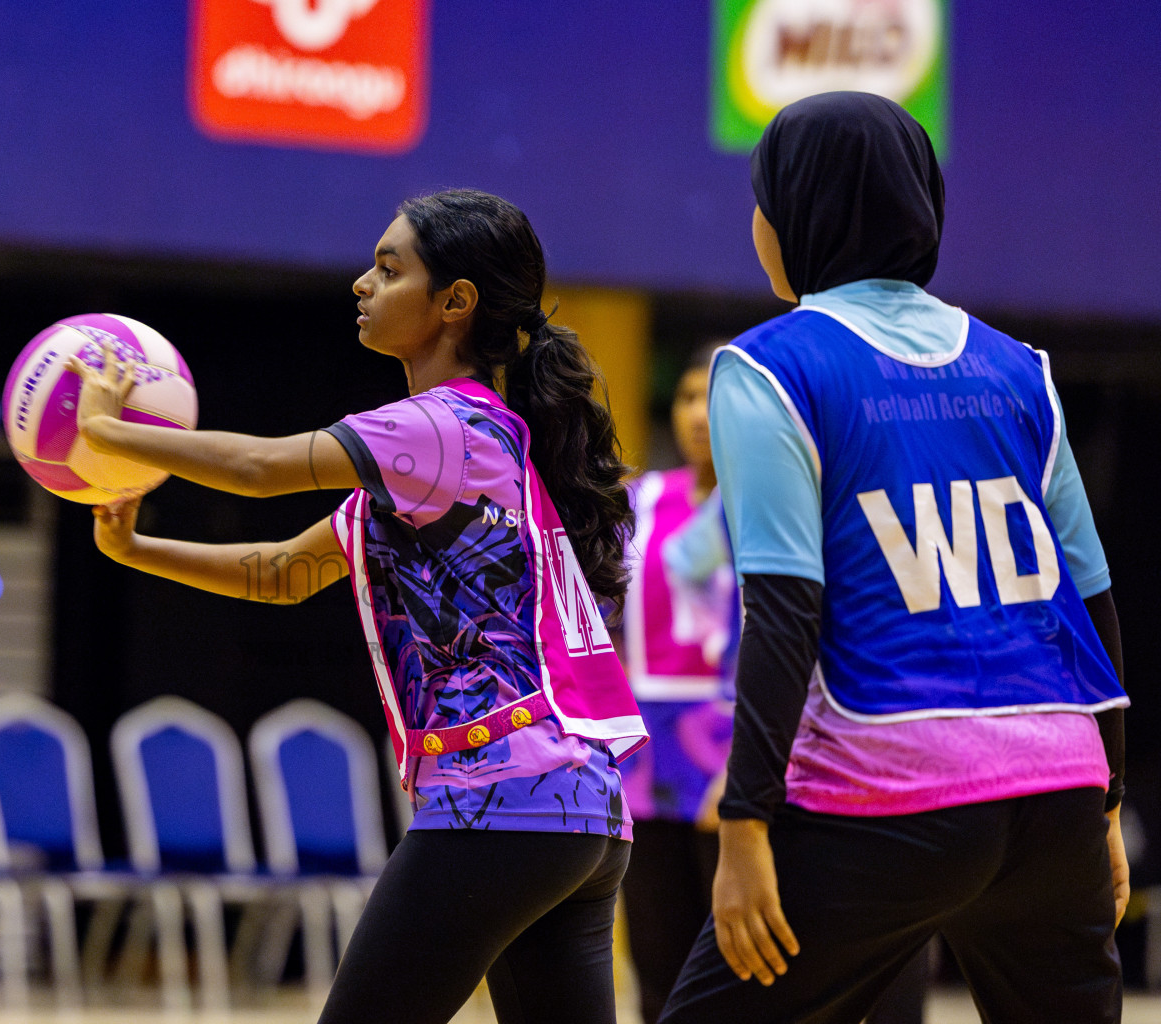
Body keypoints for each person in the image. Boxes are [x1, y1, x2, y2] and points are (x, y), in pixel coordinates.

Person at [69, 189, 648, 1024]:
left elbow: (260, 467)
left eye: (388, 268)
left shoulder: (434, 430)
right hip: (582, 813)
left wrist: (110, 432)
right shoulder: (468, 447)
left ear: (456, 303)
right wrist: (135, 550)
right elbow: (283, 572)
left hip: (502, 795)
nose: (360, 284)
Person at [659, 92, 1130, 1024]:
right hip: (1058, 789)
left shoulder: (767, 369)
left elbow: (785, 610)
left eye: (763, 198)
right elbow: (1091, 597)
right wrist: (1105, 797)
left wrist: (746, 822)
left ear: (798, 213)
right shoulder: (1020, 368)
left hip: (884, 791)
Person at [614, 344, 736, 1024]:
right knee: (657, 957)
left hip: (739, 750)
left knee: (737, 958)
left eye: (713, 398)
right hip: (649, 758)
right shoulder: (640, 504)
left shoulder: (775, 506)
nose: (697, 413)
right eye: (687, 396)